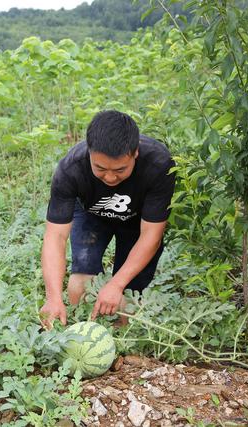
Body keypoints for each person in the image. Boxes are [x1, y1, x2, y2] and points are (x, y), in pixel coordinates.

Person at [39, 110, 176, 329]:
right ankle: (85, 334)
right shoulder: (71, 169)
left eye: (120, 169)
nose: (110, 177)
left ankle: (121, 341)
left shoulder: (159, 164)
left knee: (127, 299)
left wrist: (117, 284)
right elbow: (55, 236)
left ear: (135, 153)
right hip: (91, 214)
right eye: (100, 168)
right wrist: (53, 296)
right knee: (80, 285)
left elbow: (152, 234)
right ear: (89, 153)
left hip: (138, 222)